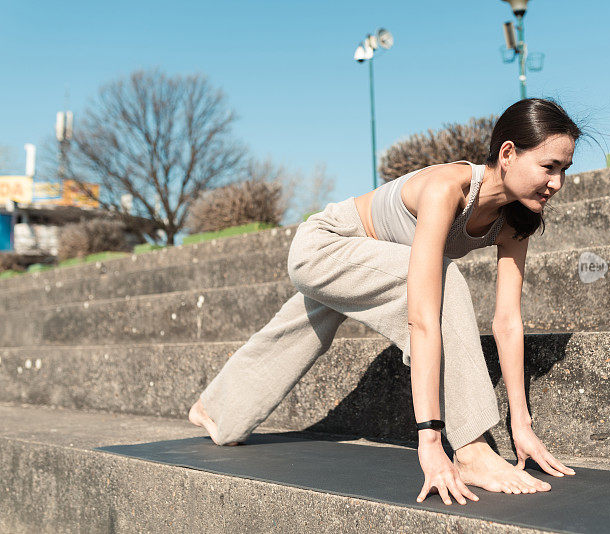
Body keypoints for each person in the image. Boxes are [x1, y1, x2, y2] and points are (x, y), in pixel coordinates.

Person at [189, 97, 582, 506]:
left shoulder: (517, 220)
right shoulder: (448, 187)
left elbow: (507, 322)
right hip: (327, 244)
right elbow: (425, 318)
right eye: (548, 167)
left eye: (564, 170)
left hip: (376, 262)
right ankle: (473, 451)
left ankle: (217, 410)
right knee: (445, 281)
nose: (557, 183)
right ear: (507, 154)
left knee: (302, 327)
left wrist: (522, 423)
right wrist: (430, 438)